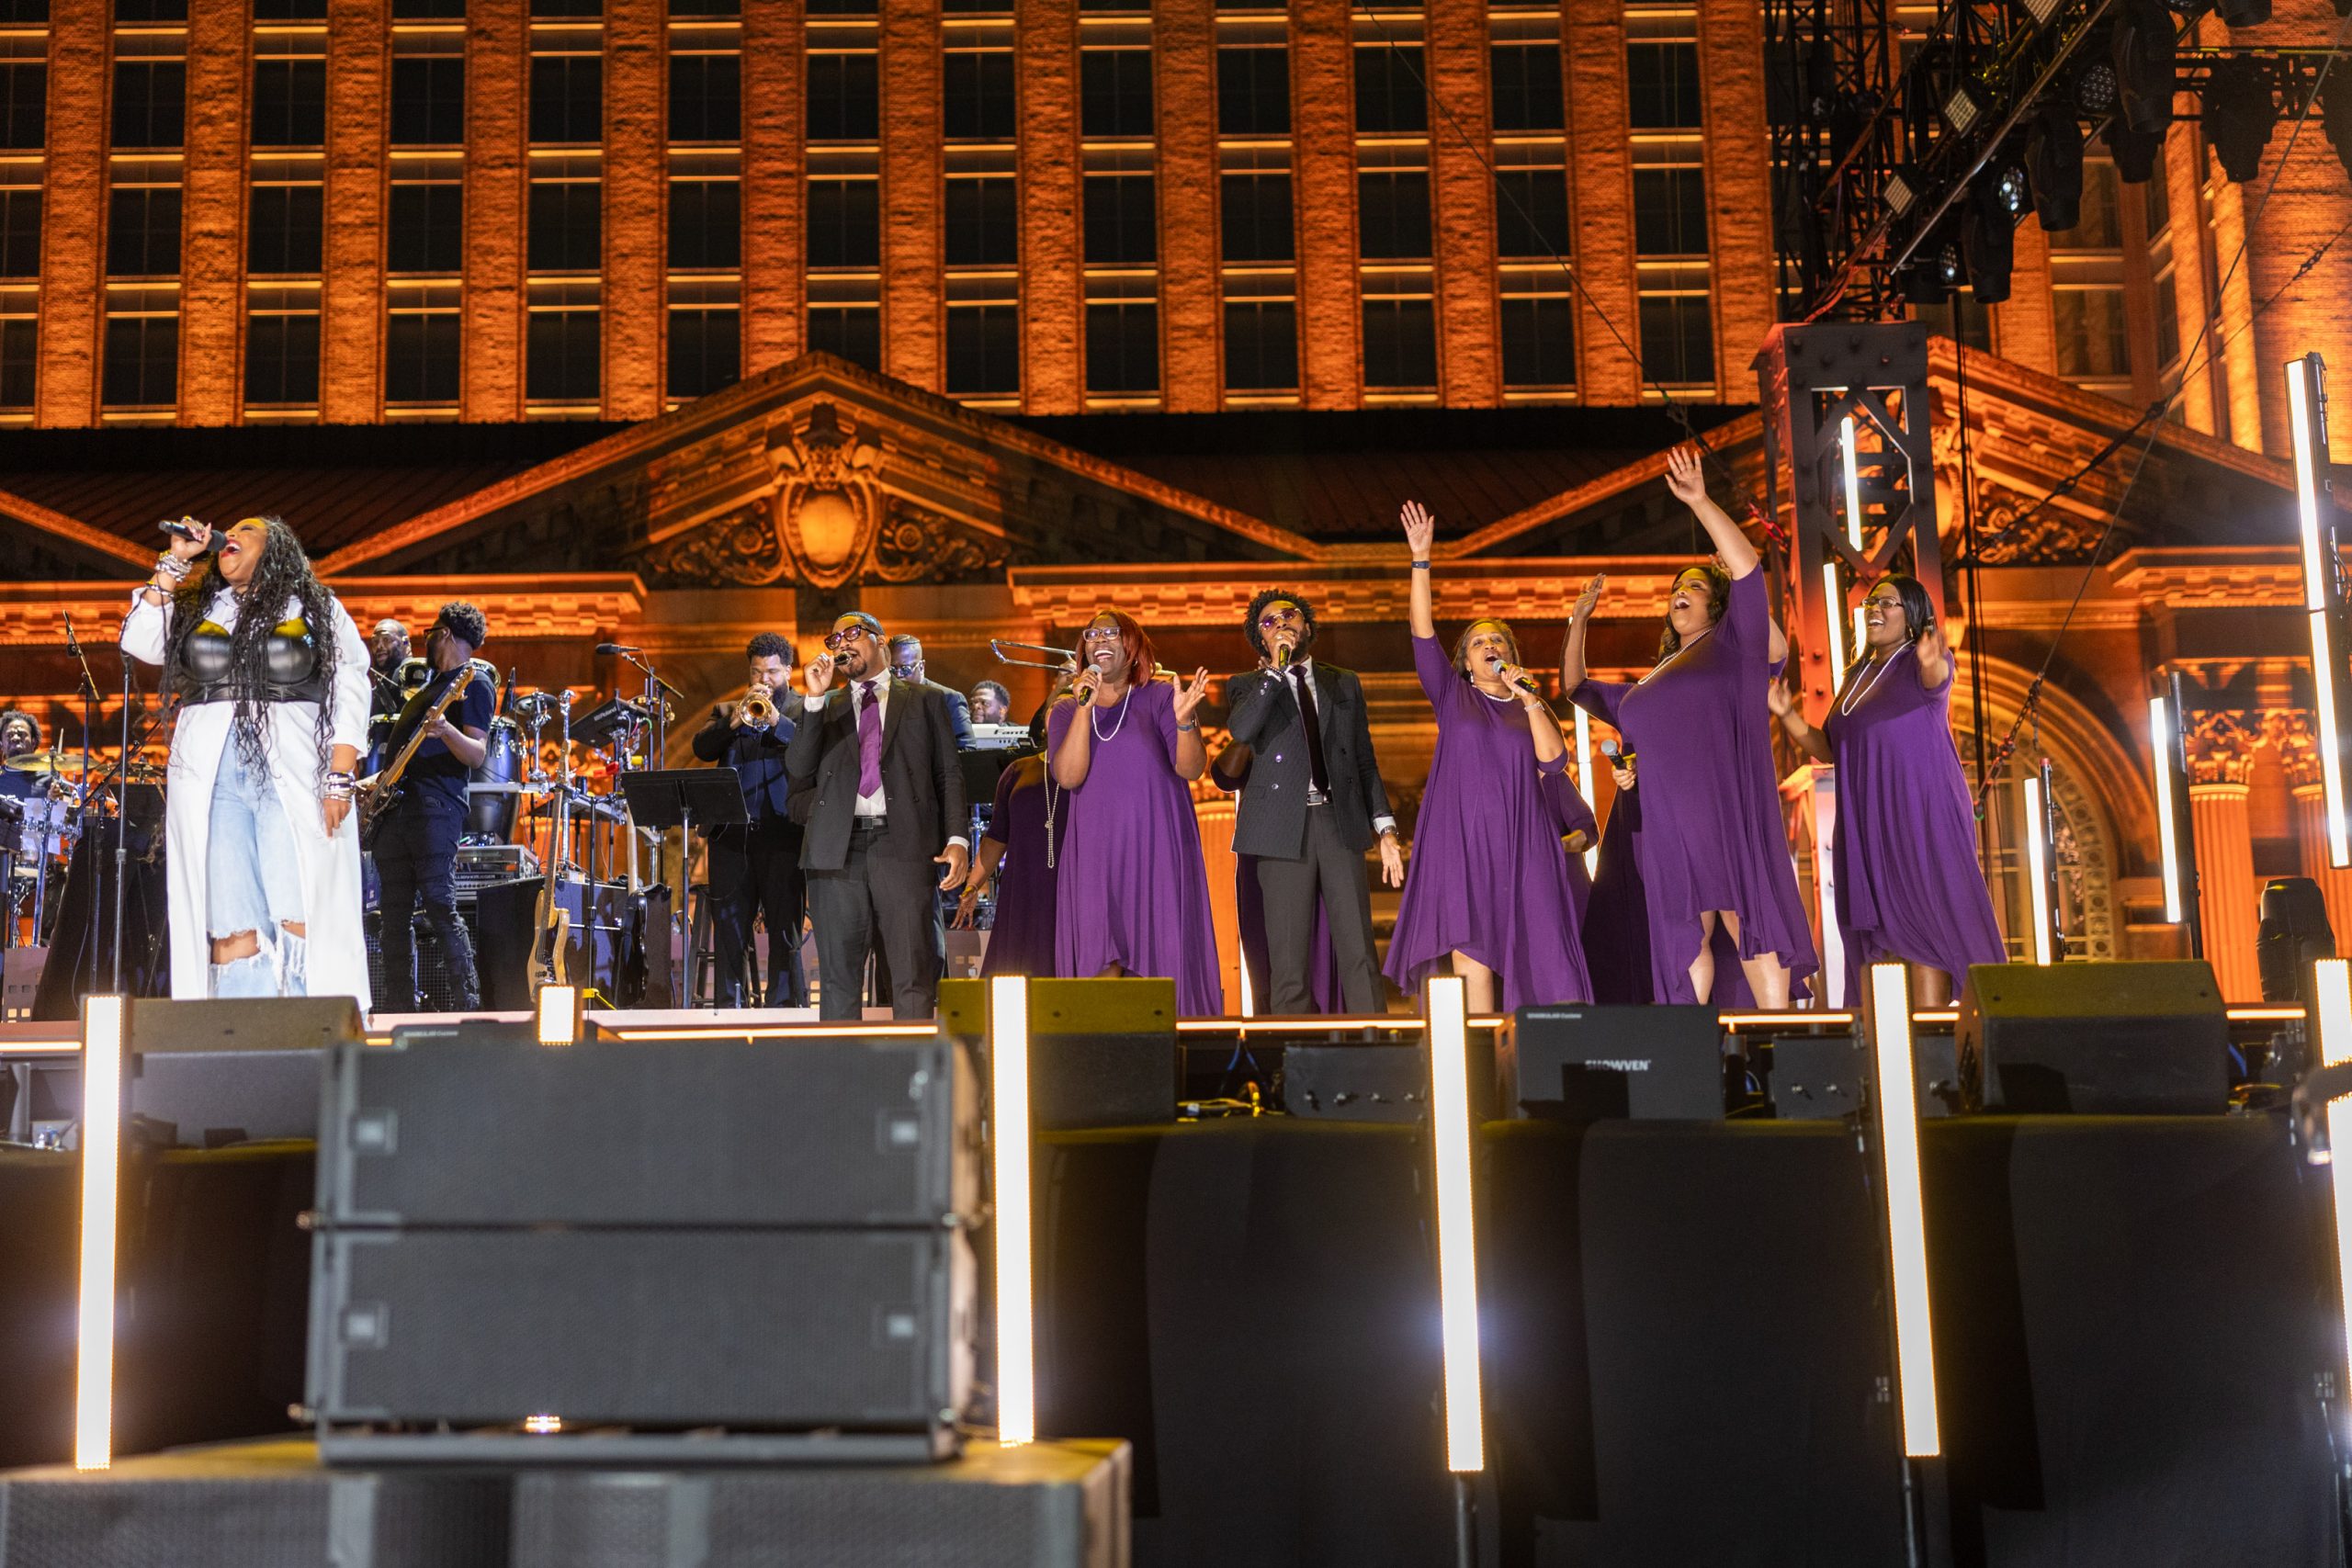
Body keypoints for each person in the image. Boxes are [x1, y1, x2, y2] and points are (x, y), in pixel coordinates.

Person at [1562, 445, 1818, 1007]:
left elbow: (1749, 573)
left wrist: (1701, 501)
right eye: (1677, 587)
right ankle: (1690, 1047)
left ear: (1719, 606)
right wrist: (1578, 622)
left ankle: (1775, 1037)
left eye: (1697, 586)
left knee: (1742, 912)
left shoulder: (1730, 647)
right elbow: (1575, 687)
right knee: (1685, 935)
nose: (1681, 591)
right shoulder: (1649, 686)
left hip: (1722, 809)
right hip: (1666, 825)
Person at [120, 515, 371, 1003]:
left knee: (299, 902)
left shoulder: (316, 605)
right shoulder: (197, 605)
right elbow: (140, 641)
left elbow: (351, 680)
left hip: (292, 767)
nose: (229, 536)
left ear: (275, 547)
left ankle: (309, 1034)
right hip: (210, 773)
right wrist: (176, 562)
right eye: (227, 532)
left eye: (247, 529)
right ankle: (239, 1037)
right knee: (230, 915)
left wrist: (339, 772)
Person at [1382, 502, 1589, 1013]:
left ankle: (1546, 1064)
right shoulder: (1454, 695)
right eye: (1478, 642)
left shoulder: (1529, 704)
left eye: (1498, 639)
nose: (1490, 644)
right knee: (1470, 955)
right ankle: (1476, 1071)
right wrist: (1421, 561)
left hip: (1526, 840)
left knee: (1544, 953)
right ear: (1466, 663)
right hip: (1464, 840)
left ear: (1511, 656)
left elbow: (1553, 762)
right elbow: (1421, 630)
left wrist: (1530, 700)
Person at [1768, 574, 2007, 1004]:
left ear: (1913, 617)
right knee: (1886, 936)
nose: (1875, 608)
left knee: (1923, 923)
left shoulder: (1919, 665)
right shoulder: (1858, 678)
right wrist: (1788, 716)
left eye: (1889, 603)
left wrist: (1932, 657)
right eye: (1871, 602)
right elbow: (1833, 747)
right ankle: (1893, 1050)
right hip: (1867, 820)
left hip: (1917, 815)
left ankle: (1931, 1044)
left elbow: (1937, 678)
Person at [1223, 588, 1403, 1014]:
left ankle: (1373, 1043)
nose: (1281, 624)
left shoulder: (1343, 681)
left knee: (1357, 946)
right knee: (1288, 958)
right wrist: (1273, 675)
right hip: (1279, 826)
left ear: (1307, 625)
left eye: (1289, 615)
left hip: (1337, 820)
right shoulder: (1246, 686)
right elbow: (1243, 731)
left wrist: (1386, 830)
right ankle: (1293, 1056)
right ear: (1260, 639)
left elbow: (1363, 759)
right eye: (1269, 622)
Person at [788, 611, 970, 1020]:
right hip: (836, 854)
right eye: (834, 640)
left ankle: (914, 1079)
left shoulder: (926, 701)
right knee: (838, 980)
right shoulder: (824, 706)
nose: (841, 645)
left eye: (851, 634)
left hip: (902, 847)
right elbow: (798, 769)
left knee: (913, 975)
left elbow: (949, 775)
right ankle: (842, 1082)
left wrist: (957, 839)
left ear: (881, 640)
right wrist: (814, 698)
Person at [1046, 609, 1223, 1014]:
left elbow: (1192, 768)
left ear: (1133, 646)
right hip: (1095, 852)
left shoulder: (1159, 696)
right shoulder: (1066, 709)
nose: (1100, 640)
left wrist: (1183, 723)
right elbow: (1069, 777)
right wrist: (1084, 708)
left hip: (1156, 847)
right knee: (1100, 959)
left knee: (1159, 959)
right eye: (1092, 634)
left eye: (1111, 633)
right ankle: (1103, 1059)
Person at [367, 603, 492, 1013]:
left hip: (436, 806)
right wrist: (372, 783)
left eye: (432, 631)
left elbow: (476, 753)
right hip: (397, 808)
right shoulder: (427, 689)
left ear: (449, 635)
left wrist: (446, 729)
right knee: (394, 914)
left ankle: (467, 1004)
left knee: (440, 903)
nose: (426, 638)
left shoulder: (474, 682)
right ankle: (396, 1006)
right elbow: (404, 755)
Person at [692, 632, 810, 1009]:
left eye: (772, 672)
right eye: (757, 672)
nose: (763, 680)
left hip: (784, 835)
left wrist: (776, 722)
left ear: (788, 671)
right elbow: (701, 747)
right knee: (730, 930)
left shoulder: (803, 710)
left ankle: (783, 1008)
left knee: (784, 930)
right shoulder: (728, 710)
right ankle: (729, 1008)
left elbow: (811, 753)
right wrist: (733, 723)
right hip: (731, 838)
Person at [953, 751, 1068, 979]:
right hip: (1022, 889)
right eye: (1052, 713)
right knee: (1015, 968)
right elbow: (996, 836)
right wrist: (973, 885)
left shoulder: (1089, 767)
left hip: (1070, 888)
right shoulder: (1018, 771)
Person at [887, 634, 976, 750]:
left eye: (906, 669)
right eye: (892, 669)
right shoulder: (883, 698)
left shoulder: (949, 699)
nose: (898, 675)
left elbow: (968, 751)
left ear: (922, 666)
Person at [0, 708, 42, 803]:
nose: (15, 738)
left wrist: (58, 800)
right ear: (1, 744)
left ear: (33, 742)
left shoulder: (51, 779)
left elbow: (69, 814)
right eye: (9, 735)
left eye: (21, 734)